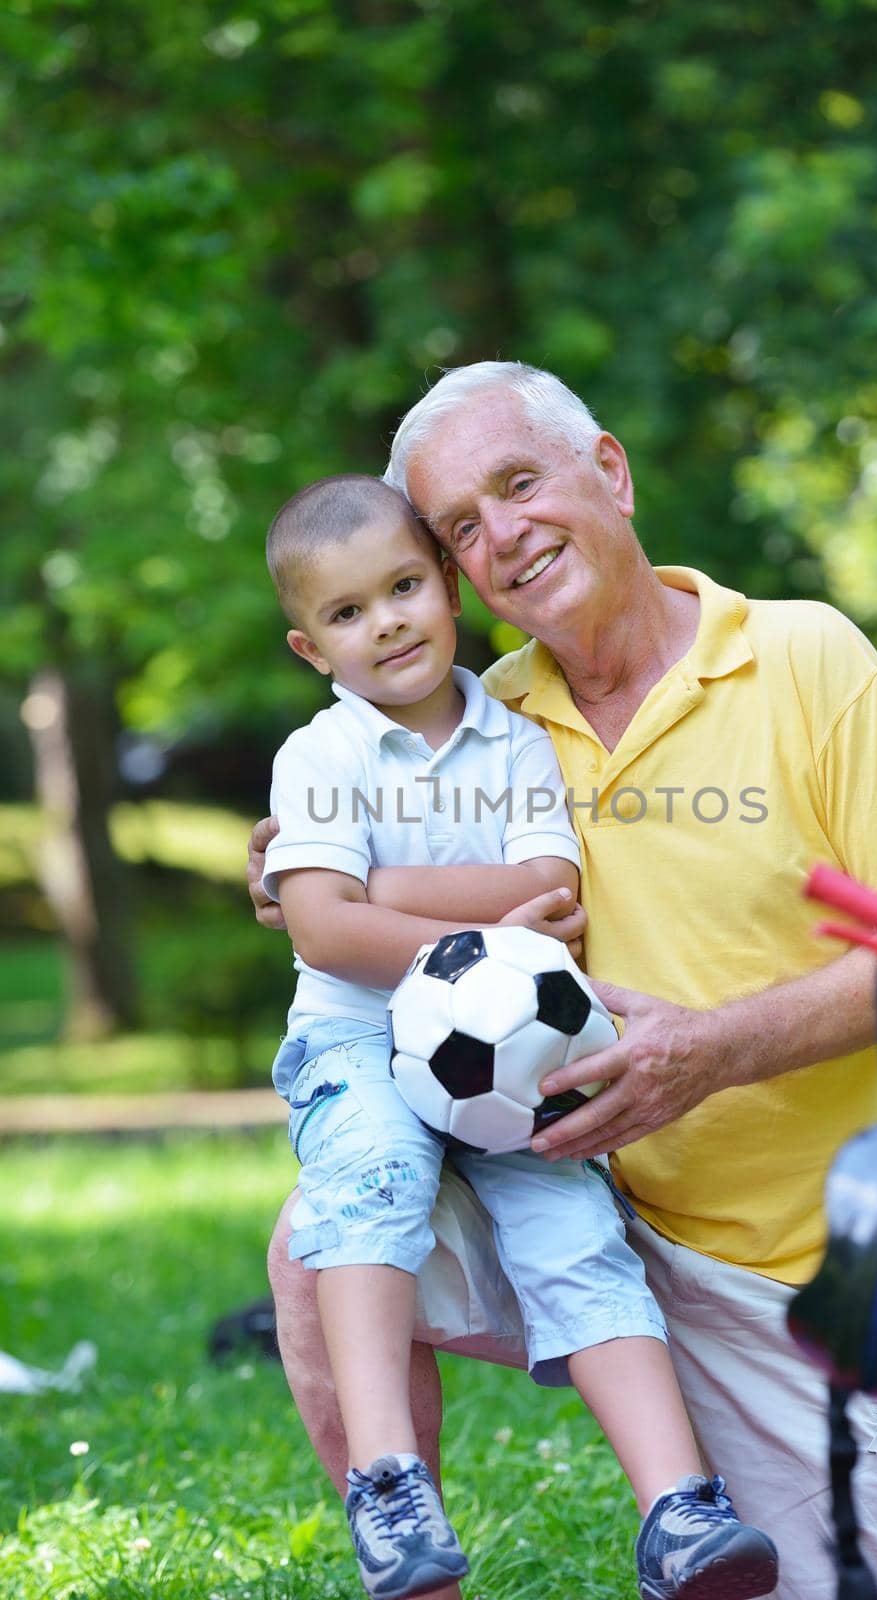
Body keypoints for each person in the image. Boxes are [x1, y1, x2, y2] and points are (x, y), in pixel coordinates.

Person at [249, 363, 877, 1600]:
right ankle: (407, 1548)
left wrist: (706, 1050)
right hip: (575, 1192)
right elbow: (344, 855)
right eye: (464, 528)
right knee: (323, 1234)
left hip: (788, 1277)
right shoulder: (489, 714)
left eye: (521, 483)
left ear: (613, 471)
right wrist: (297, 871)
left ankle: (719, 1496)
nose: (505, 537)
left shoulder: (804, 656)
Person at [260, 472, 779, 1600]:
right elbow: (320, 928)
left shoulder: (514, 737)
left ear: (447, 584)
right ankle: (389, 1481)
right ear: (311, 648)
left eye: (403, 586)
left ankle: (680, 1508)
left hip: (510, 1044)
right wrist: (474, 926)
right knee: (373, 1181)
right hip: (358, 1043)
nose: (387, 621)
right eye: (349, 612)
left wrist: (378, 893)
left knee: (572, 1222)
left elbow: (553, 887)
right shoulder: (322, 758)